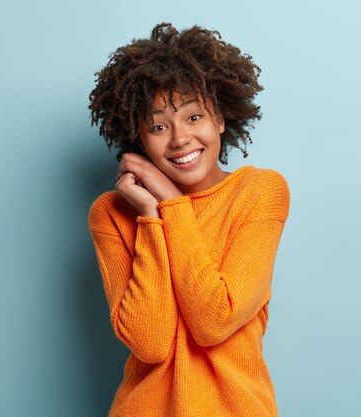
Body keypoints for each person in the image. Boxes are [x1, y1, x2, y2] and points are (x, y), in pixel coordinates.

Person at [88, 22, 290, 417]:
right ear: (138, 138)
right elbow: (151, 342)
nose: (179, 138)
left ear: (221, 119)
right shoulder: (112, 213)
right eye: (159, 126)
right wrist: (150, 214)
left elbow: (214, 320)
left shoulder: (260, 193)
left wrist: (171, 204)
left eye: (194, 117)